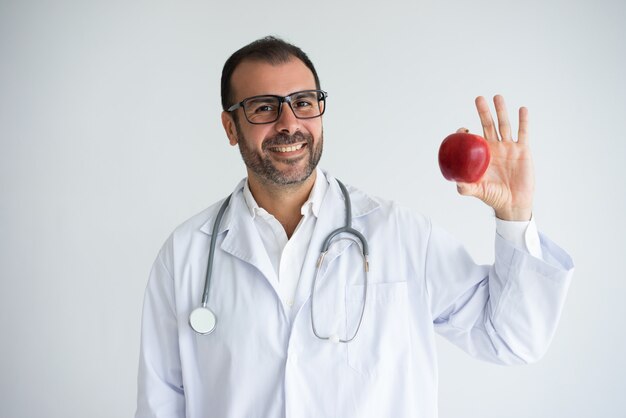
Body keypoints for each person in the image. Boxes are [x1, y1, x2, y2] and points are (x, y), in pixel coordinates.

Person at [135, 36, 574, 418]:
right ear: (231, 127)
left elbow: (513, 339)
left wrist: (515, 214)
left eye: (303, 103)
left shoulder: (400, 235)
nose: (289, 124)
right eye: (264, 108)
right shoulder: (187, 254)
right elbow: (160, 404)